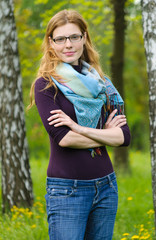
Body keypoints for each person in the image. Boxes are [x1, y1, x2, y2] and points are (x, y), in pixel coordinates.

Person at [28, 9, 131, 240]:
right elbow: (65, 139)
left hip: (106, 186)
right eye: (61, 39)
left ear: (84, 38)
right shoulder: (46, 85)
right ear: (51, 42)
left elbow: (124, 137)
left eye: (74, 37)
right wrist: (105, 134)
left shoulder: (103, 84)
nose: (68, 44)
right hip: (67, 190)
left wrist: (79, 127)